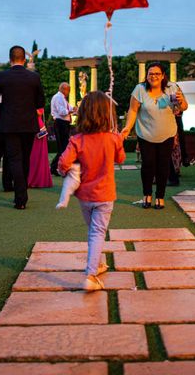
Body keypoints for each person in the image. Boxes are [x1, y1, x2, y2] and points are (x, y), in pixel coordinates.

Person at [58, 91, 125, 291]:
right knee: (98, 232)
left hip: (85, 197)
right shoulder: (112, 138)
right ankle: (91, 275)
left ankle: (96, 263)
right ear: (107, 114)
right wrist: (120, 141)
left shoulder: (77, 140)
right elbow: (120, 159)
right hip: (105, 195)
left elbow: (63, 163)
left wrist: (66, 172)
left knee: (93, 231)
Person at [121, 62, 188, 210]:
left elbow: (184, 107)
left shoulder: (172, 88)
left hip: (167, 134)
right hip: (145, 134)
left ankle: (160, 197)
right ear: (147, 75)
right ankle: (147, 195)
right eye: (151, 74)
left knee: (163, 165)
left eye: (157, 74)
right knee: (148, 164)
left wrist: (181, 102)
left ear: (163, 75)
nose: (154, 76)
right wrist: (127, 128)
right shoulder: (140, 89)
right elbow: (133, 110)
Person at [0, 45, 45, 209]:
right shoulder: (34, 77)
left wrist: (5, 111)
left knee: (14, 159)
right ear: (25, 59)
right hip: (29, 124)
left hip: (9, 124)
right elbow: (40, 102)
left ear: (10, 59)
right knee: (25, 159)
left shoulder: (2, 76)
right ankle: (22, 194)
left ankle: (20, 197)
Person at [50, 82, 76, 176]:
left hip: (64, 123)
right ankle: (55, 167)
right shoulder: (58, 98)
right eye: (68, 90)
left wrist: (74, 109)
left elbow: (68, 108)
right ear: (64, 89)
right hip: (60, 123)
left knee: (64, 147)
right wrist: (72, 110)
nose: (68, 92)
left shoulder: (62, 98)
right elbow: (62, 112)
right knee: (63, 147)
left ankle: (55, 168)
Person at [27, 108, 53, 188]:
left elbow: (39, 112)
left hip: (38, 128)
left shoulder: (37, 100)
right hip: (29, 126)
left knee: (38, 154)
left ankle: (39, 179)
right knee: (31, 155)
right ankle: (30, 178)